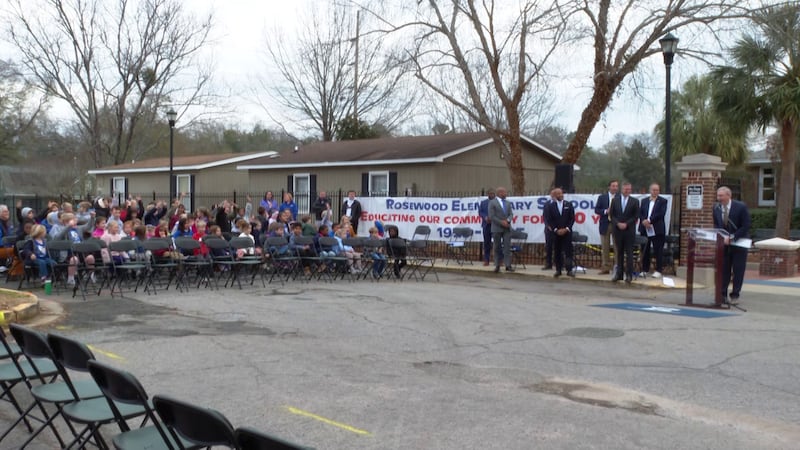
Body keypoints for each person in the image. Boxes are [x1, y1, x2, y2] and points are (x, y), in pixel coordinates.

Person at [713, 186, 751, 305]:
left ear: (728, 196)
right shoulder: (716, 208)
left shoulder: (740, 207)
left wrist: (733, 237)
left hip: (739, 243)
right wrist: (721, 236)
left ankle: (735, 295)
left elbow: (746, 225)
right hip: (724, 244)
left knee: (738, 270)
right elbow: (717, 225)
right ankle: (722, 294)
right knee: (724, 269)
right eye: (718, 196)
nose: (719, 198)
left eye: (721, 196)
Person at [609, 182, 639, 283]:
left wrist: (626, 224)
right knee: (619, 253)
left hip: (629, 231)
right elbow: (612, 215)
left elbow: (635, 216)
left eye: (629, 189)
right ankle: (619, 274)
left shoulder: (634, 201)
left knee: (629, 254)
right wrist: (617, 223)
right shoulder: (615, 200)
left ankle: (629, 275)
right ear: (622, 190)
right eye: (626, 189)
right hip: (618, 231)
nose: (627, 191)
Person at [543, 188, 575, 278]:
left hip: (567, 232)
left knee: (568, 251)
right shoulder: (550, 206)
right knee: (557, 252)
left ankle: (569, 270)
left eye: (561, 193)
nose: (560, 195)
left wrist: (567, 228)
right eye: (558, 194)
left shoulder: (568, 204)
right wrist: (556, 230)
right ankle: (558, 270)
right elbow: (549, 220)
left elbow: (572, 218)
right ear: (555, 196)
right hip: (556, 233)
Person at [638, 183, 668, 278]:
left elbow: (661, 214)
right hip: (645, 228)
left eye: (657, 190)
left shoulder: (663, 201)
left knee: (658, 249)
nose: (655, 192)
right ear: (650, 190)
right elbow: (641, 212)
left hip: (657, 229)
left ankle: (658, 270)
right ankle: (645, 269)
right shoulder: (644, 201)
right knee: (645, 249)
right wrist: (644, 221)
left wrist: (650, 221)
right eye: (653, 190)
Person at [594, 180, 619, 275]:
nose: (615, 188)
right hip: (605, 224)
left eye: (616, 186)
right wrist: (605, 211)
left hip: (616, 224)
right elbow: (597, 209)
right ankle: (605, 267)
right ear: (609, 187)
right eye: (613, 186)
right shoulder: (602, 197)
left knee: (617, 247)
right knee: (605, 246)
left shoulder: (620, 197)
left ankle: (617, 267)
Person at [488, 187, 514, 273]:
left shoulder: (507, 203)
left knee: (507, 246)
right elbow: (492, 216)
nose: (506, 194)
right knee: (497, 247)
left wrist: (508, 220)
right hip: (497, 228)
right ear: (500, 193)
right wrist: (501, 222)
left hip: (507, 228)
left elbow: (511, 214)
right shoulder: (492, 203)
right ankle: (497, 265)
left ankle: (508, 265)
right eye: (505, 192)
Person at [478, 189, 496, 266]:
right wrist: (485, 217)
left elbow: (500, 212)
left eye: (493, 193)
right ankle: (486, 260)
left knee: (497, 243)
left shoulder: (497, 202)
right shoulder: (483, 203)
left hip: (495, 225)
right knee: (487, 243)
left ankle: (499, 260)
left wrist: (493, 218)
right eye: (490, 193)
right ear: (488, 194)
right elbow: (480, 212)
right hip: (486, 225)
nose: (492, 194)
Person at [541, 189, 555, 270]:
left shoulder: (562, 203)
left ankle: (560, 263)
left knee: (559, 247)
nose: (553, 195)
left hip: (558, 229)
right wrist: (547, 225)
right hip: (549, 229)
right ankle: (548, 264)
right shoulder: (547, 204)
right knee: (549, 247)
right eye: (552, 194)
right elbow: (545, 216)